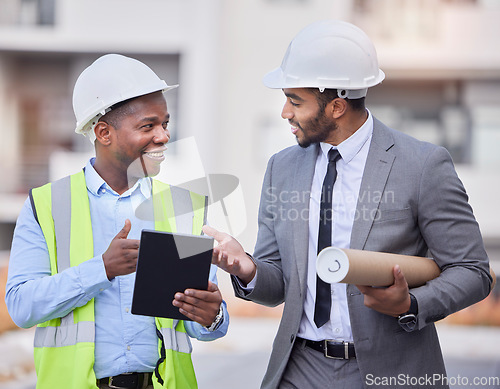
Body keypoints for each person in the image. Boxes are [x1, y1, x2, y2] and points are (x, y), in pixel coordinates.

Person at [203, 20, 492, 389]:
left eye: (295, 101)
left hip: (391, 371)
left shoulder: (422, 165)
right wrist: (247, 268)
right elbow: (277, 285)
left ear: (336, 106)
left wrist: (411, 304)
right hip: (299, 368)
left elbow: (473, 271)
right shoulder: (282, 168)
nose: (285, 113)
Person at [6, 54, 228, 389]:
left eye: (165, 124)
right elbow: (22, 307)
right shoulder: (46, 206)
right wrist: (102, 269)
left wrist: (213, 316)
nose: (164, 136)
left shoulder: (185, 207)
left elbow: (198, 325)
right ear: (104, 132)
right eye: (147, 126)